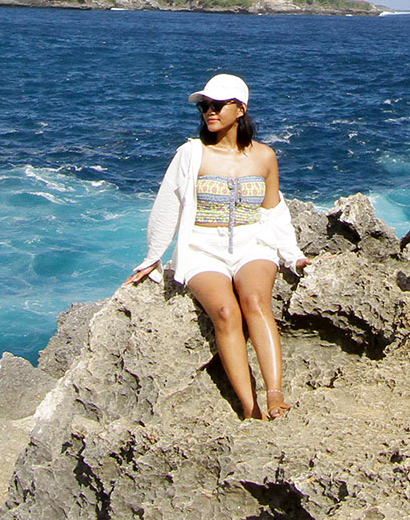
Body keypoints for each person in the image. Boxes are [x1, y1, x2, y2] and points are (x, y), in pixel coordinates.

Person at [124, 73, 309, 420]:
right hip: (202, 247)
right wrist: (153, 257)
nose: (210, 111)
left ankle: (274, 394)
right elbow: (169, 205)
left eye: (218, 105)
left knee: (255, 301)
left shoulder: (265, 156)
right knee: (226, 313)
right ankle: (249, 407)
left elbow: (274, 212)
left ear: (240, 109)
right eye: (205, 106)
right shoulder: (191, 153)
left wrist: (293, 256)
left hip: (253, 241)